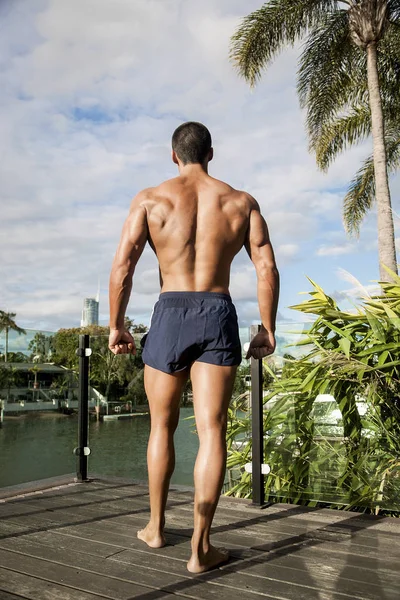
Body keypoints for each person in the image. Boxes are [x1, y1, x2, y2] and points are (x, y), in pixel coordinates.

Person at [108, 122, 279, 573]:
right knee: (213, 430)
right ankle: (200, 549)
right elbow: (266, 266)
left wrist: (116, 325)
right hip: (217, 311)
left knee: (160, 427)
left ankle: (155, 527)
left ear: (173, 155)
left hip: (169, 312)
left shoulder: (150, 199)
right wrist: (267, 328)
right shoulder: (240, 202)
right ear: (211, 153)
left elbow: (123, 266)